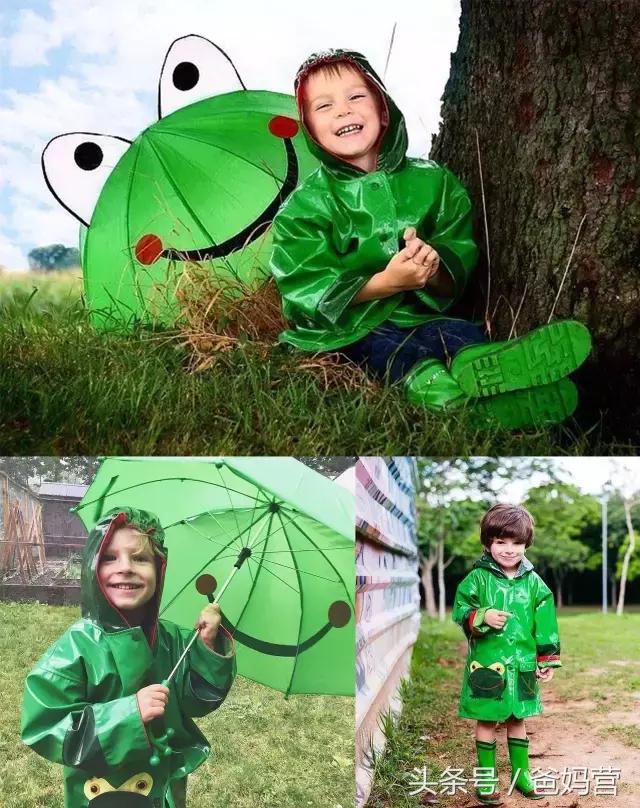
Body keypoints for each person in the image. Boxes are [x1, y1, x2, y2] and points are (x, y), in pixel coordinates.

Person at [269, 49, 591, 428]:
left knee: (457, 333)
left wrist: (434, 268)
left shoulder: (433, 181)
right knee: (394, 352)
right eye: (324, 106)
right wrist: (386, 283)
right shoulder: (304, 206)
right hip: (351, 328)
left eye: (356, 96)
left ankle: (487, 369)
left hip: (421, 313)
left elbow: (458, 243)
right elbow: (303, 284)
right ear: (309, 128)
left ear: (384, 109)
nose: (343, 111)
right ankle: (454, 403)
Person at [21, 507, 236, 808]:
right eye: (110, 557)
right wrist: (129, 714)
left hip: (160, 786)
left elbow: (197, 701)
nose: (126, 567)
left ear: (159, 569)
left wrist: (206, 646)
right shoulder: (77, 647)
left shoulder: (173, 640)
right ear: (92, 568)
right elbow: (45, 725)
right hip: (99, 790)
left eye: (140, 558)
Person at [452, 504, 561, 805]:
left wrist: (546, 658)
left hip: (523, 665)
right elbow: (460, 610)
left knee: (518, 718)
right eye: (501, 541)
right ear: (488, 542)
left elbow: (546, 623)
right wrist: (481, 616)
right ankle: (487, 779)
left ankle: (521, 775)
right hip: (488, 665)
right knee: (487, 720)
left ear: (527, 544)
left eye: (516, 542)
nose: (509, 549)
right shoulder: (477, 578)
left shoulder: (534, 583)